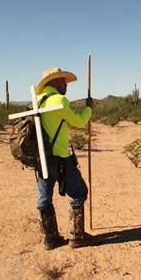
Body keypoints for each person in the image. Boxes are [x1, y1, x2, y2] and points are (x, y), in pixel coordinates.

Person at [35, 67, 94, 250]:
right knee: (79, 192)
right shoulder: (58, 99)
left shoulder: (36, 101)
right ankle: (77, 236)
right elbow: (78, 122)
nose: (66, 85)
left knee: (44, 197)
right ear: (54, 83)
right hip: (60, 156)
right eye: (63, 81)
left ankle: (50, 238)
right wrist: (88, 109)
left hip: (41, 157)